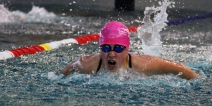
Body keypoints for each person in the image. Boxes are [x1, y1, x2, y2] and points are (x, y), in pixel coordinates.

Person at [59, 21, 199, 80]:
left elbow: (179, 68)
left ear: (127, 49)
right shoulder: (87, 65)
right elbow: (61, 73)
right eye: (106, 47)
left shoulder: (143, 65)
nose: (111, 54)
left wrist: (198, 82)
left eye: (118, 48)